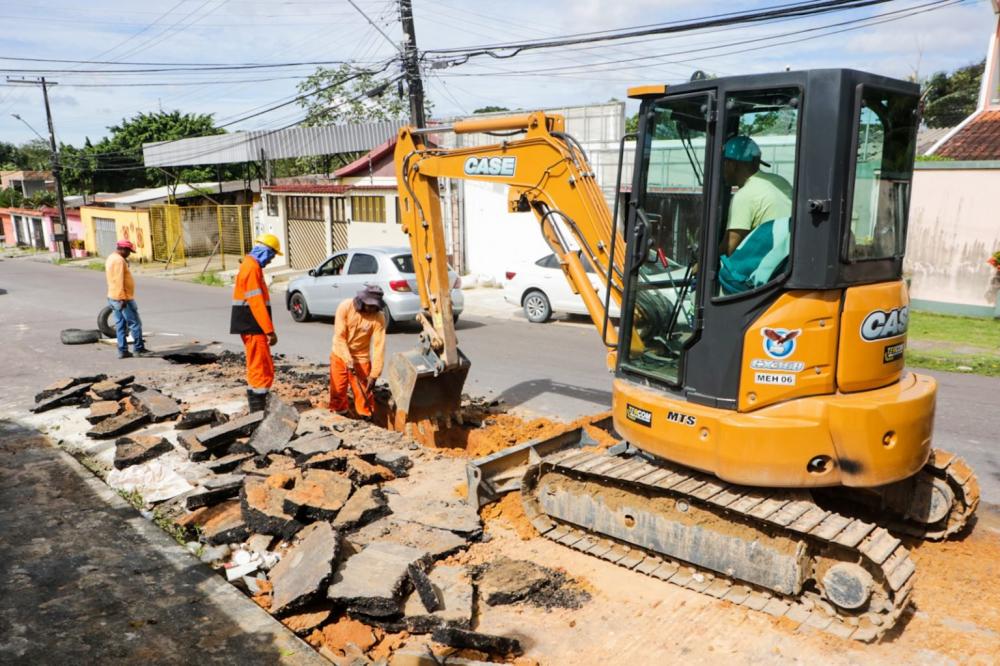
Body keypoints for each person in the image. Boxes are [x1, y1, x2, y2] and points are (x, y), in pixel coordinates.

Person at [231, 233, 282, 413]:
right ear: (265, 251)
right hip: (252, 324)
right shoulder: (251, 268)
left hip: (250, 324)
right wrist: (269, 331)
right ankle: (259, 410)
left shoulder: (250, 266)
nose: (271, 260)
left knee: (258, 365)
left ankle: (258, 407)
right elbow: (256, 303)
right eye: (272, 255)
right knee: (260, 367)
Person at [720, 136, 793, 257]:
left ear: (732, 165)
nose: (722, 170)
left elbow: (730, 248)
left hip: (766, 264)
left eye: (723, 164)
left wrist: (701, 264)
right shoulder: (780, 181)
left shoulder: (744, 195)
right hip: (786, 259)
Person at [329, 285, 387, 419]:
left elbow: (379, 346)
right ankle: (340, 416)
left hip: (361, 358)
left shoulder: (379, 317)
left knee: (364, 393)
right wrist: (348, 360)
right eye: (370, 305)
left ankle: (366, 418)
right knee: (338, 391)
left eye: (375, 306)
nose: (372, 309)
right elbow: (340, 337)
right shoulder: (345, 307)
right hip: (339, 354)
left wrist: (374, 374)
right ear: (362, 300)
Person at [105, 239, 148, 359]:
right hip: (123, 298)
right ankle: (139, 349)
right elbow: (118, 280)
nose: (129, 254)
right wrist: (122, 298)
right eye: (129, 251)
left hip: (113, 296)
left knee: (120, 325)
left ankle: (123, 350)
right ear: (123, 249)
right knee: (135, 323)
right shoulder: (119, 260)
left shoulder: (111, 257)